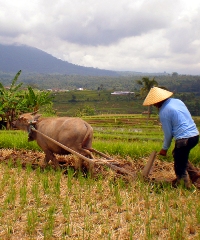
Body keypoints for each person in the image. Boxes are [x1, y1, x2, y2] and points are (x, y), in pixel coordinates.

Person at [143, 87, 200, 189]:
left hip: (184, 139)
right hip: (195, 135)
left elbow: (168, 134)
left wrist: (164, 149)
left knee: (179, 167)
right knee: (179, 155)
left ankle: (184, 187)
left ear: (160, 100)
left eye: (155, 103)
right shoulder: (177, 101)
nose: (155, 105)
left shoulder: (164, 111)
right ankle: (195, 176)